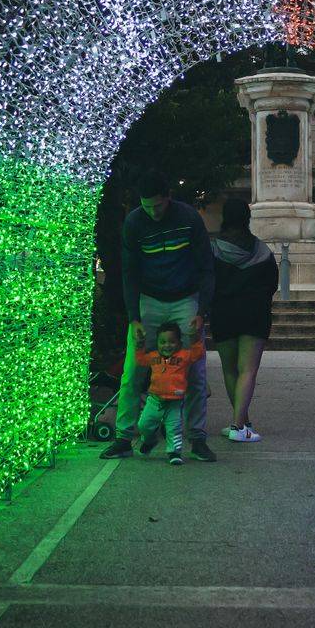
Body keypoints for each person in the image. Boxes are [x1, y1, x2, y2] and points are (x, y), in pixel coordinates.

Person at [100, 168, 216, 461]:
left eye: (158, 205)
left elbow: (206, 268)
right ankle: (124, 437)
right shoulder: (135, 222)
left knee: (195, 372)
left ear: (168, 198)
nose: (152, 212)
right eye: (147, 206)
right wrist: (134, 318)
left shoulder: (189, 219)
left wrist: (202, 312)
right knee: (132, 372)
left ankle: (197, 438)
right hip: (149, 300)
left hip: (185, 298)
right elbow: (129, 272)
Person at [210, 197, 278, 442]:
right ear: (247, 219)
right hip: (254, 314)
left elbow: (207, 281)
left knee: (230, 370)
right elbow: (272, 284)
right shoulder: (262, 251)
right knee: (248, 370)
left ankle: (241, 421)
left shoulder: (214, 249)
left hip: (222, 313)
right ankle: (240, 424)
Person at [135, 321, 205, 464]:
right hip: (154, 401)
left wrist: (194, 339)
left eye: (172, 342)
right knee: (143, 425)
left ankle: (174, 452)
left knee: (174, 429)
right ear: (157, 343)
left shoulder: (183, 356)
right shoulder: (154, 357)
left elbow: (197, 354)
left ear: (179, 343)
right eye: (163, 342)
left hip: (174, 403)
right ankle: (149, 441)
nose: (167, 345)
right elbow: (140, 360)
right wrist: (140, 344)